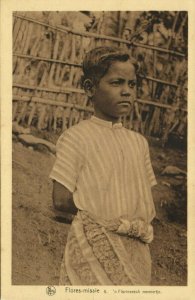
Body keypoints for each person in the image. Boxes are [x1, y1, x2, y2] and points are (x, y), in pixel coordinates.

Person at [50, 46, 157, 285]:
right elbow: (61, 199)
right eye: (117, 83)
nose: (126, 92)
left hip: (136, 250)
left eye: (132, 84)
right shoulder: (76, 137)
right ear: (90, 88)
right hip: (91, 245)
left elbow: (143, 198)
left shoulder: (138, 143)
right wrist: (102, 223)